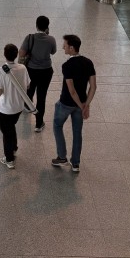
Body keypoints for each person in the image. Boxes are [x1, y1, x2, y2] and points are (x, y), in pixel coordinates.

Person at [52, 34, 97, 173]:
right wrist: (86, 105)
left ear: (71, 48)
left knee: (57, 125)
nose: (62, 47)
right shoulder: (88, 62)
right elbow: (93, 86)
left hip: (66, 103)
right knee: (77, 132)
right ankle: (75, 163)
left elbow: (71, 91)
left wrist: (80, 105)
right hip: (81, 103)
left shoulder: (67, 66)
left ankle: (62, 157)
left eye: (65, 45)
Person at [0, 42, 31, 169]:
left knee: (6, 133)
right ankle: (14, 147)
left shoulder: (0, 71)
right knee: (11, 127)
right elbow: (28, 85)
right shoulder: (23, 68)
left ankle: (9, 159)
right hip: (19, 107)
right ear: (16, 55)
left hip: (5, 108)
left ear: (4, 55)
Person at [19, 16, 57, 133]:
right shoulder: (51, 39)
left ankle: (28, 106)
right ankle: (38, 124)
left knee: (30, 89)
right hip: (46, 71)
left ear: (36, 25)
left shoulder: (29, 38)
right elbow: (53, 52)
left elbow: (21, 53)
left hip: (31, 69)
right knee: (41, 97)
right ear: (47, 26)